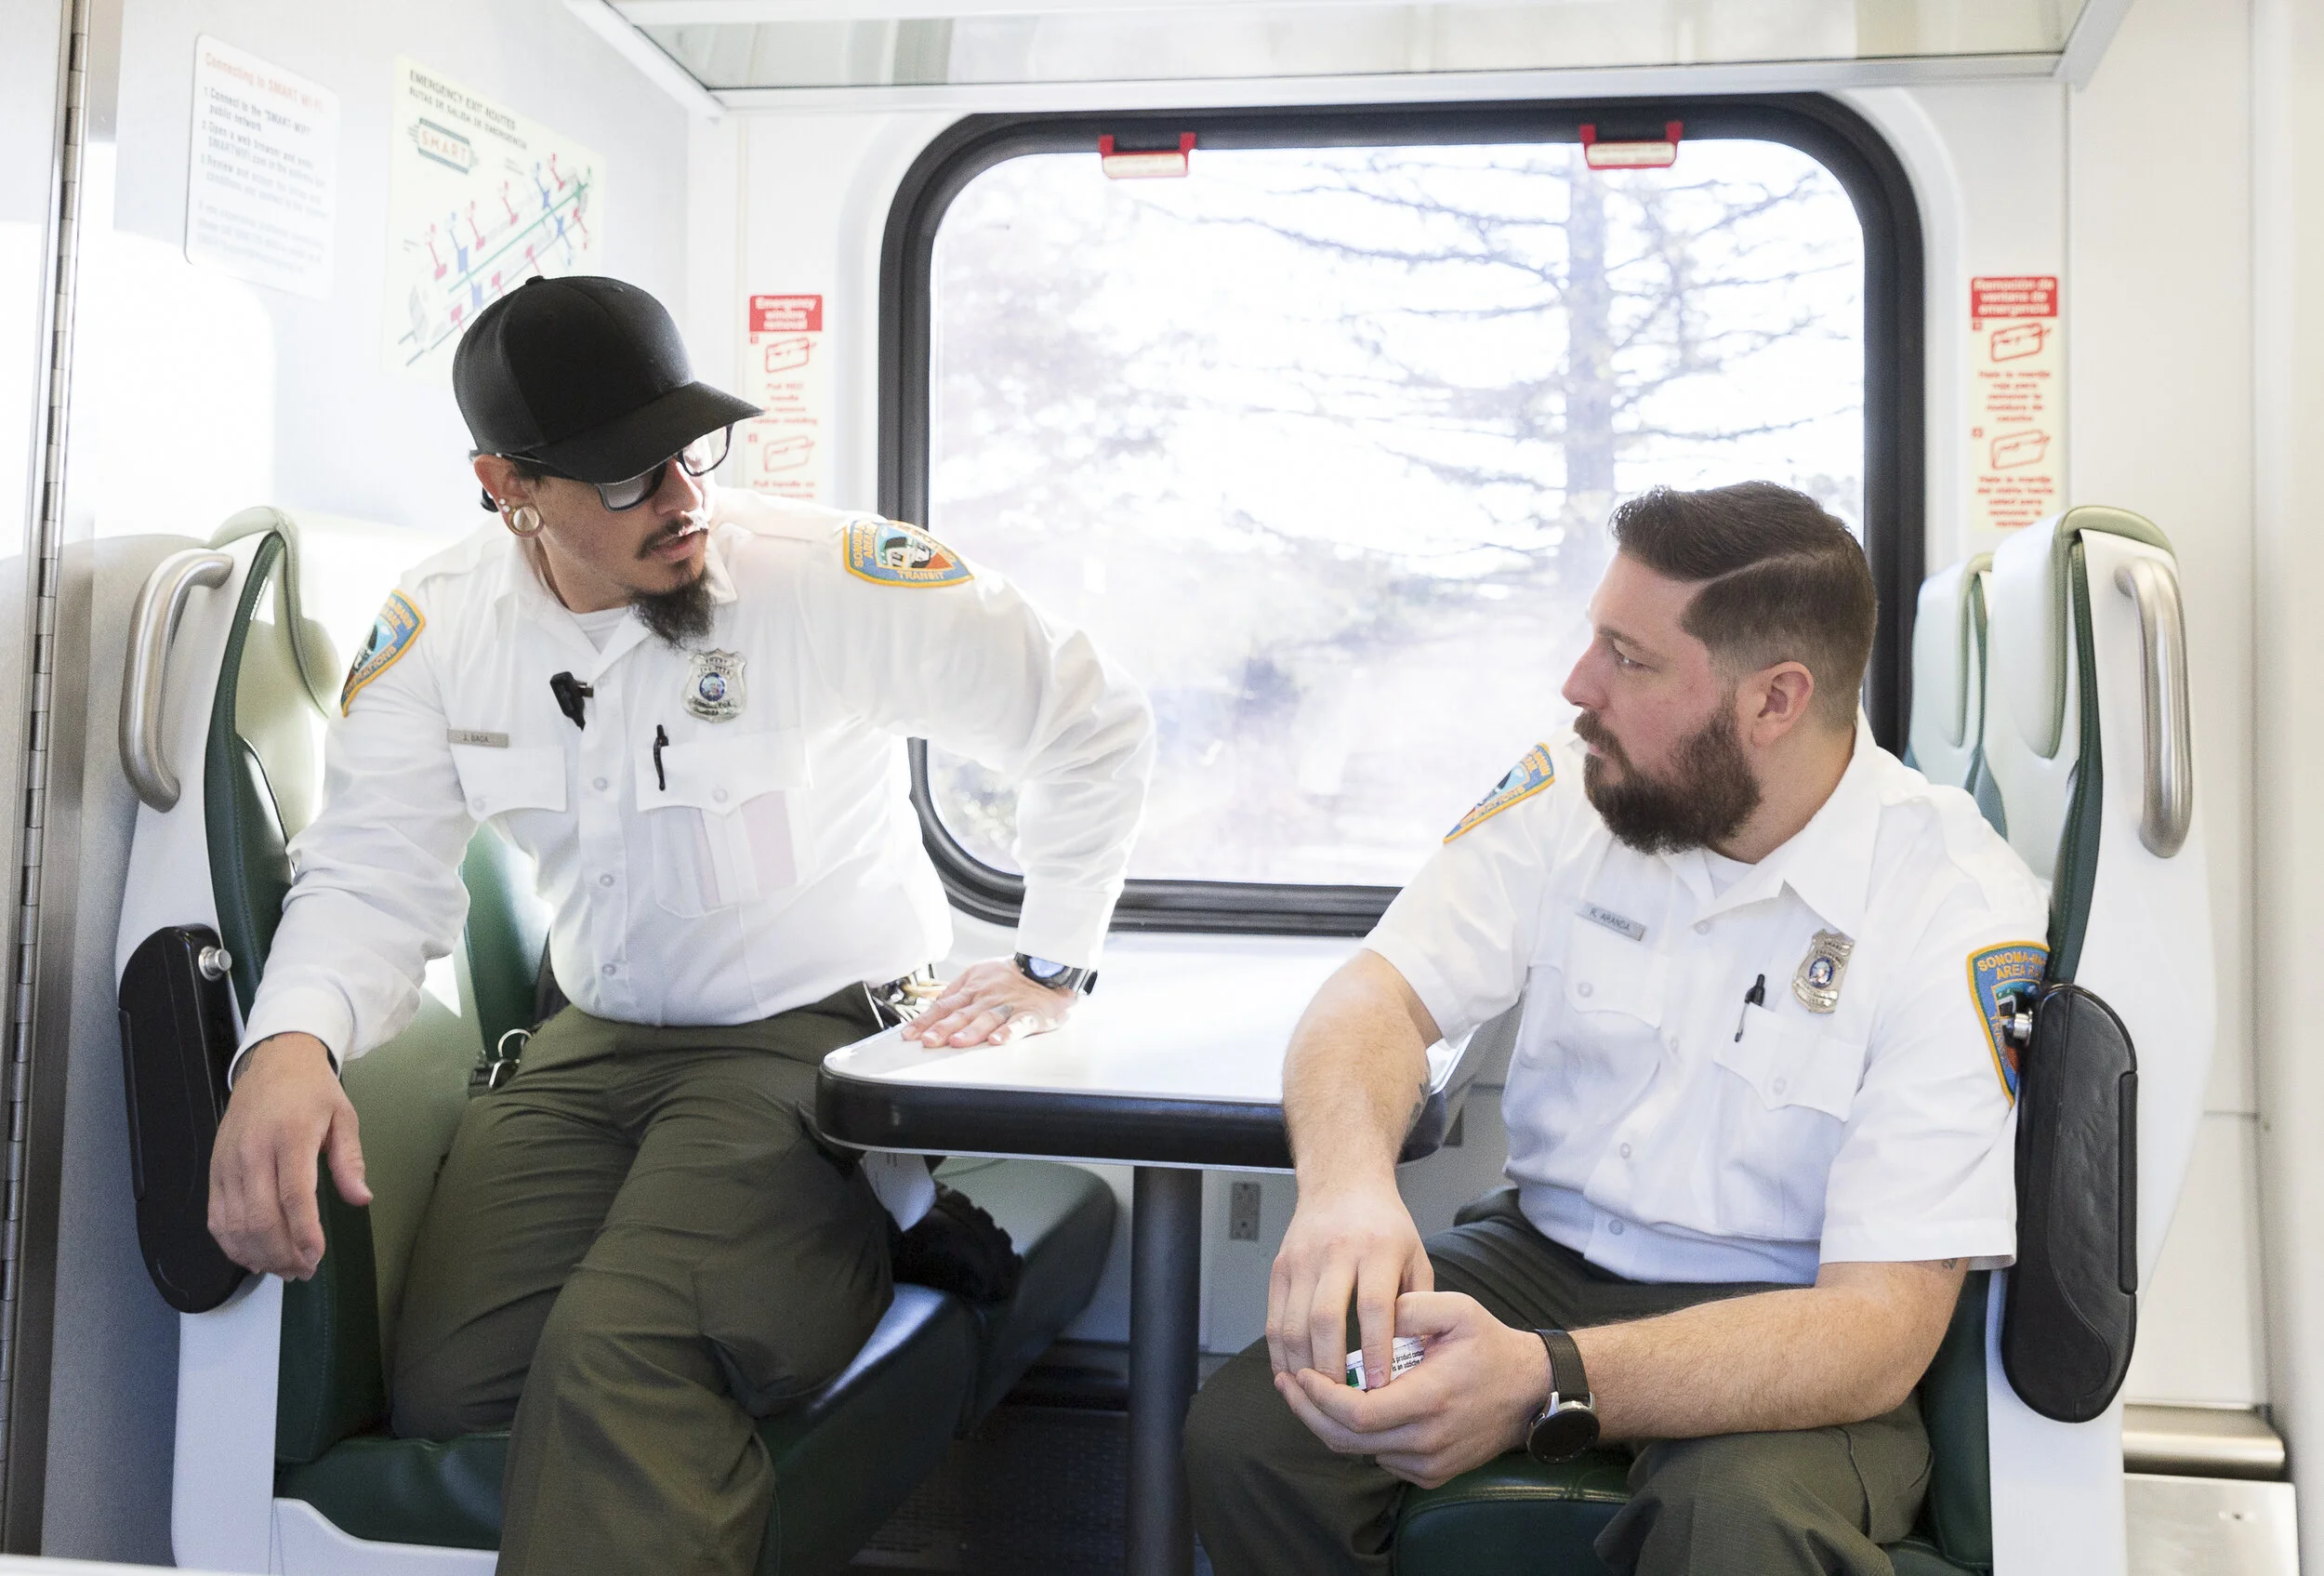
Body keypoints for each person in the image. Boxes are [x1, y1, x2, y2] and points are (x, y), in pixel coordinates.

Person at [205, 274, 1155, 1575]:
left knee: (619, 1355)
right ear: (507, 484)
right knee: (462, 1382)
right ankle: (859, 1236)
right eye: (622, 476)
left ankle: (868, 1197)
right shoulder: (436, 633)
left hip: (808, 1039)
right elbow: (370, 878)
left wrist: (1052, 958)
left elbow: (1090, 713)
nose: (681, 496)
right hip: (590, 1039)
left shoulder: (826, 579)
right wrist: (287, 1046)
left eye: (685, 450)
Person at [1185, 482, 2047, 1575]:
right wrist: (1348, 1186)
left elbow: (1878, 1328)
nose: (1577, 685)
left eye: (1628, 660)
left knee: (1730, 1523)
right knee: (1255, 1438)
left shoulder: (1953, 905)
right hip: (1541, 1254)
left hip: (1789, 1314)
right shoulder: (1575, 781)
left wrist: (1545, 1378)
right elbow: (1376, 996)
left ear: (1773, 700)